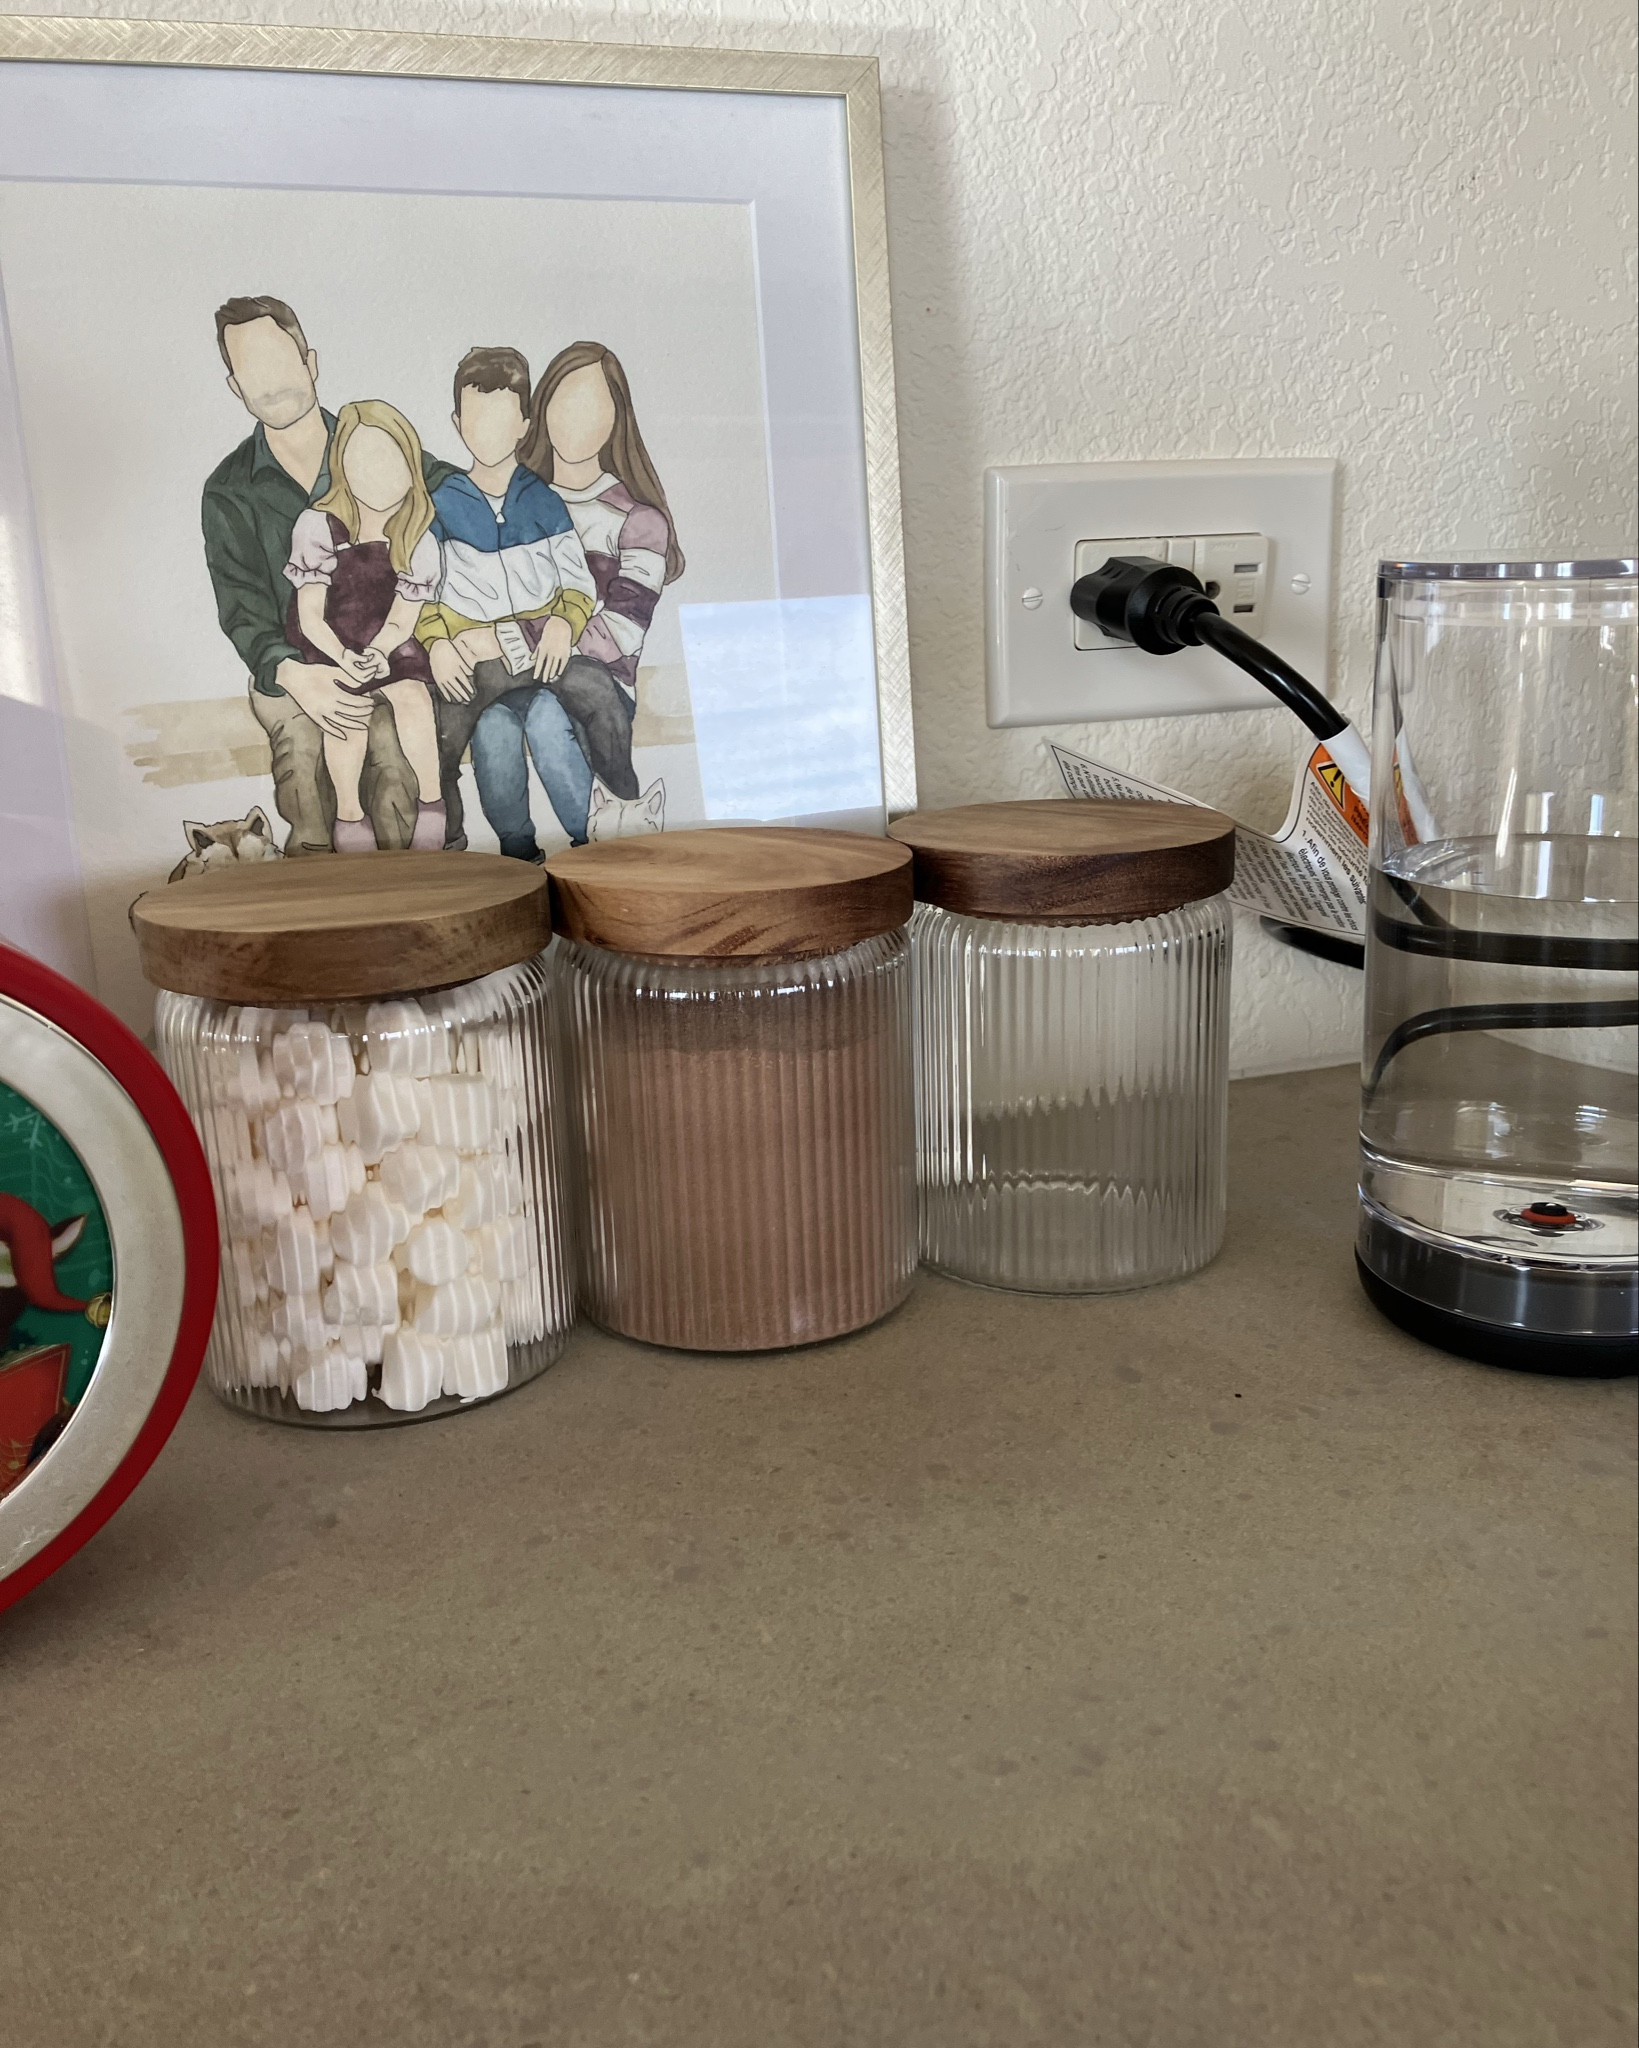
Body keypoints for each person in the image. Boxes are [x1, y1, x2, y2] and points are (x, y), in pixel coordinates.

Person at [201, 296, 456, 853]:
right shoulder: (228, 490)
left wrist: (443, 634)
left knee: (394, 748)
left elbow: (463, 505)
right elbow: (240, 608)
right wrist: (295, 674)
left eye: (281, 362)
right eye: (252, 372)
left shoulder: (373, 441)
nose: (270, 384)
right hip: (295, 663)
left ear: (311, 361)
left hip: (393, 652)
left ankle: (423, 890)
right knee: (303, 752)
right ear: (234, 386)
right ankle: (323, 887)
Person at [470, 341, 684, 858]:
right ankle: (517, 859)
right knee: (490, 725)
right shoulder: (511, 500)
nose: (575, 420)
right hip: (512, 678)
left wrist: (506, 637)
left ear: (618, 418)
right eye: (563, 402)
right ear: (539, 409)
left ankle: (599, 849)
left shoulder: (639, 520)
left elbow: (618, 635)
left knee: (546, 711)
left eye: (594, 405)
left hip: (598, 686)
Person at [414, 346, 596, 850]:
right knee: (492, 739)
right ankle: (518, 854)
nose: (488, 432)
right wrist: (437, 643)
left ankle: (590, 841)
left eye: (501, 418)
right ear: (456, 423)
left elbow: (579, 584)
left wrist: (562, 623)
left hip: (543, 668)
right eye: (475, 419)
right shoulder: (441, 506)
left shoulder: (545, 501)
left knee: (547, 724)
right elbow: (418, 593)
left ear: (524, 423)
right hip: (476, 675)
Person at [284, 402, 446, 853]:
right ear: (342, 468)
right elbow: (310, 617)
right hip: (331, 644)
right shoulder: (317, 525)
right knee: (348, 718)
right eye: (361, 461)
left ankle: (433, 805)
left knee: (413, 697)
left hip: (390, 643)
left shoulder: (417, 536)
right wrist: (343, 658)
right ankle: (350, 817)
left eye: (390, 459)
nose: (377, 473)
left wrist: (380, 650)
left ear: (411, 464)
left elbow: (402, 618)